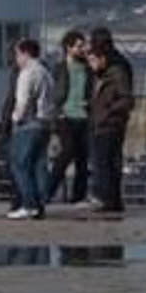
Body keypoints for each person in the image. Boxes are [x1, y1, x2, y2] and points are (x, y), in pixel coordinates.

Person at [83, 27, 133, 214]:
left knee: (104, 161)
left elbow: (126, 98)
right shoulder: (112, 67)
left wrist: (106, 111)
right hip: (108, 120)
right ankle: (112, 200)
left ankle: (105, 198)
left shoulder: (116, 70)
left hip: (109, 122)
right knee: (109, 162)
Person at [6, 38, 56, 220]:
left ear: (25, 53)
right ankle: (40, 203)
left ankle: (29, 204)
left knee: (19, 164)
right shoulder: (46, 72)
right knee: (38, 165)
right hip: (45, 123)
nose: (16, 58)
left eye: (17, 54)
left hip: (29, 124)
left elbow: (23, 101)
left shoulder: (27, 73)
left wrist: (15, 118)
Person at [47, 30, 92, 204]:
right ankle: (49, 190)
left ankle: (78, 196)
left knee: (83, 158)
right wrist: (56, 112)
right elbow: (52, 93)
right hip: (65, 116)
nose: (82, 49)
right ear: (69, 47)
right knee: (67, 151)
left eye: (83, 46)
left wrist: (90, 103)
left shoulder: (88, 68)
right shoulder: (58, 68)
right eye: (79, 46)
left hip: (84, 116)